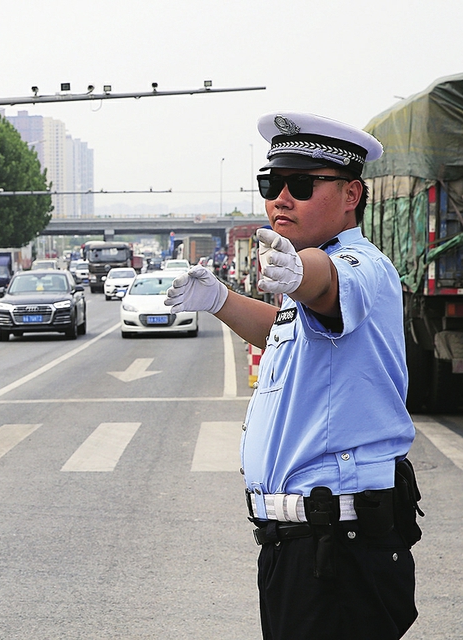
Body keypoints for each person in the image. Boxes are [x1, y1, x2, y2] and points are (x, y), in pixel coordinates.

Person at [165, 112, 423, 639]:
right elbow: (285, 332)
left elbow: (328, 287)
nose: (281, 198)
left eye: (301, 184)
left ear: (351, 195)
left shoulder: (360, 266)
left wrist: (303, 275)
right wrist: (220, 300)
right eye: (272, 183)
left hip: (340, 549)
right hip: (301, 545)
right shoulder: (310, 271)